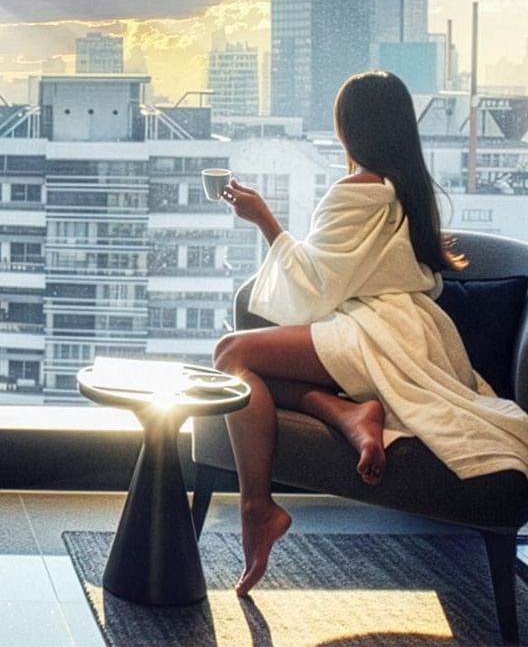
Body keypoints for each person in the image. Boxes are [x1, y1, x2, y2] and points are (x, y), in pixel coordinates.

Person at [213, 70, 528, 597]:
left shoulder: (356, 192)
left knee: (230, 354)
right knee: (247, 367)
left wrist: (264, 220)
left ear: (348, 129)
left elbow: (316, 290)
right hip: (418, 330)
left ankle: (257, 507)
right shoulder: (407, 189)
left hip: (378, 332)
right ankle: (345, 413)